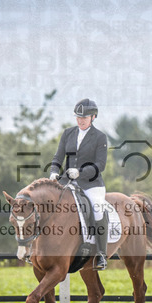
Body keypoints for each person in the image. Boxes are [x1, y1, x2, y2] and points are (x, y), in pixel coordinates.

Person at [49, 98, 109, 270]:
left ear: (93, 117)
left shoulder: (100, 137)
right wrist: (54, 171)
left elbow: (100, 165)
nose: (80, 120)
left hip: (91, 184)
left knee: (97, 208)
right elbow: (58, 157)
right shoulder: (68, 133)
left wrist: (80, 172)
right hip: (67, 181)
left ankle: (101, 254)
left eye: (84, 117)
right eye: (78, 117)